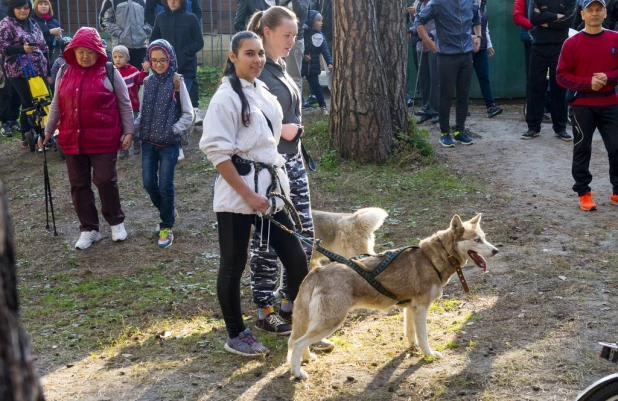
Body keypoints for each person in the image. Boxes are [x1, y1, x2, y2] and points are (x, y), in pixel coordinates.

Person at [200, 31, 309, 357]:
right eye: (249, 53)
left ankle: (301, 323)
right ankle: (236, 333)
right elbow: (218, 154)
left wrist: (265, 191)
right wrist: (248, 195)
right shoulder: (225, 98)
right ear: (233, 57)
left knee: (295, 256)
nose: (257, 59)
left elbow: (269, 139)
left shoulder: (260, 90)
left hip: (269, 193)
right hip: (238, 196)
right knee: (233, 264)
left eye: (260, 53)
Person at [246, 6, 318, 340]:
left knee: (303, 236)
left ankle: (291, 303)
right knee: (267, 241)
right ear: (267, 32)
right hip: (268, 167)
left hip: (292, 164)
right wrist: (282, 131)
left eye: (295, 35)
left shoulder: (281, 67)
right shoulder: (257, 71)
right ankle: (265, 309)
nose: (292, 41)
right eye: (286, 35)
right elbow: (247, 124)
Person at [41, 27, 134, 250]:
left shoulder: (109, 71)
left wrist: (129, 131)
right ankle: (89, 228)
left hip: (103, 138)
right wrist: (47, 131)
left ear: (98, 52)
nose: (85, 56)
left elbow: (124, 103)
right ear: (73, 51)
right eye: (80, 51)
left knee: (104, 180)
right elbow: (56, 104)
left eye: (90, 52)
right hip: (73, 138)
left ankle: (116, 221)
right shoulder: (64, 71)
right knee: (78, 184)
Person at [556, 0, 618, 211]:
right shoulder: (572, 43)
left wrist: (608, 77)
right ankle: (584, 192)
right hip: (582, 103)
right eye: (590, 10)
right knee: (582, 148)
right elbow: (561, 75)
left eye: (598, 10)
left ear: (604, 13)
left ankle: (616, 190)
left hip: (610, 102)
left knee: (616, 147)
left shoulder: (614, 38)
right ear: (582, 14)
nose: (594, 14)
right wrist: (587, 83)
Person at [135, 39, 193, 247]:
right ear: (149, 61)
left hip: (168, 144)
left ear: (170, 59)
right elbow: (142, 112)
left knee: (165, 186)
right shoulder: (147, 83)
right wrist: (133, 129)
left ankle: (166, 226)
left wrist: (174, 129)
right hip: (148, 142)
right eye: (154, 60)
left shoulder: (177, 81)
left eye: (162, 60)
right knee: (149, 183)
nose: (158, 64)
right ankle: (169, 211)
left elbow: (188, 113)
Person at [416, 0, 481, 148]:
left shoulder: (470, 2)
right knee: (446, 95)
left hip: (466, 55)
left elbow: (477, 18)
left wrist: (478, 36)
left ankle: (459, 131)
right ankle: (445, 133)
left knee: (463, 95)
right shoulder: (438, 2)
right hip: (446, 55)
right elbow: (419, 20)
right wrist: (428, 41)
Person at [149, 0, 204, 161]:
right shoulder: (160, 18)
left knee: (179, 105)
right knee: (168, 105)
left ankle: (178, 143)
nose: (172, 1)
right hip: (165, 71)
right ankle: (170, 143)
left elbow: (199, 42)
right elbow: (154, 42)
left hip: (186, 69)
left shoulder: (191, 18)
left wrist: (184, 53)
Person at [523, 0, 576, 140]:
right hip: (538, 47)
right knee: (535, 86)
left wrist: (545, 19)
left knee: (559, 87)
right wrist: (557, 16)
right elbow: (533, 18)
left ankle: (560, 128)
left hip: (560, 47)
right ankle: (533, 127)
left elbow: (569, 21)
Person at [0, 0, 50, 148]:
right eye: (19, 8)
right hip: (18, 70)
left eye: (26, 8)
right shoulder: (6, 24)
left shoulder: (32, 23)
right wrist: (22, 49)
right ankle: (39, 133)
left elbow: (43, 46)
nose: (23, 11)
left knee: (42, 99)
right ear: (13, 9)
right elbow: (3, 47)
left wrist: (48, 71)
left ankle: (26, 132)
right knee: (29, 101)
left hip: (38, 68)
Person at [112, 45, 148, 159]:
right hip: (117, 107)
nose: (117, 59)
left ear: (127, 58)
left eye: (120, 57)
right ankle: (123, 150)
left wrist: (145, 70)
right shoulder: (111, 71)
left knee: (134, 126)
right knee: (120, 128)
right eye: (115, 57)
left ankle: (137, 142)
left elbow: (140, 81)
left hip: (132, 106)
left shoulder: (132, 70)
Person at [99, 0, 151, 71]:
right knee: (121, 80)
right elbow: (103, 22)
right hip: (120, 49)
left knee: (141, 79)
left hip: (141, 47)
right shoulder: (111, 1)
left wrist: (143, 31)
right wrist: (120, 33)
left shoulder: (144, 1)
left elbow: (150, 19)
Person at [473, 0, 503, 118]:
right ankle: (463, 108)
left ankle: (491, 106)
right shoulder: (466, 4)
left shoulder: (484, 6)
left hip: (482, 48)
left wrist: (489, 45)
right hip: (467, 48)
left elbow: (485, 28)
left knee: (484, 77)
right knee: (462, 80)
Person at [412, 0, 439, 124]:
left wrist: (429, 36)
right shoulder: (417, 3)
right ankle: (426, 108)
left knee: (435, 78)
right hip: (420, 45)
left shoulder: (437, 3)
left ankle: (436, 110)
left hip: (434, 45)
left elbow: (441, 24)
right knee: (424, 78)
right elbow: (416, 23)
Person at [301, 10, 333, 115]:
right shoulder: (303, 33)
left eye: (321, 20)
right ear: (311, 21)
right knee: (296, 85)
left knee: (316, 86)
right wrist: (303, 56)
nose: (321, 23)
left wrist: (329, 62)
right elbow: (297, 47)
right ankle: (299, 104)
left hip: (313, 67)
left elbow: (325, 51)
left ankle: (323, 106)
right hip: (301, 65)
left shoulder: (320, 37)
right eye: (318, 20)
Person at [0, 1, 21, 137]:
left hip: (19, 56)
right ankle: (4, 122)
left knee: (17, 91)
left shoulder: (19, 5)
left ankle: (14, 119)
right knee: (5, 91)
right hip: (4, 55)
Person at [30, 0, 61, 68]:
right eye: (40, 4)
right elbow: (32, 36)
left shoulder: (54, 21)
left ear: (49, 7)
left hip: (53, 52)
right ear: (36, 6)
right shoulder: (31, 20)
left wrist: (58, 37)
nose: (43, 6)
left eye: (46, 4)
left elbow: (59, 41)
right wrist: (50, 32)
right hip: (38, 52)